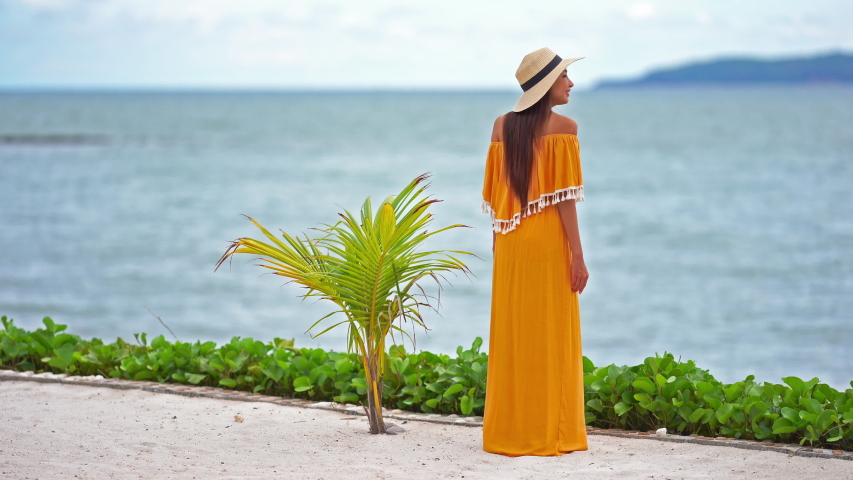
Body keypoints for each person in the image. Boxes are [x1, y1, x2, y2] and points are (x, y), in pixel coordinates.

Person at [481, 47, 590, 456]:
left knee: (513, 333)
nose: (571, 83)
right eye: (565, 76)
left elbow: (497, 196)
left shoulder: (500, 126)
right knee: (550, 331)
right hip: (546, 241)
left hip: (510, 241)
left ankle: (508, 432)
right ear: (548, 85)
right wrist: (577, 255)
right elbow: (564, 200)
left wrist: (499, 240)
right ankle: (551, 432)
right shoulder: (565, 127)